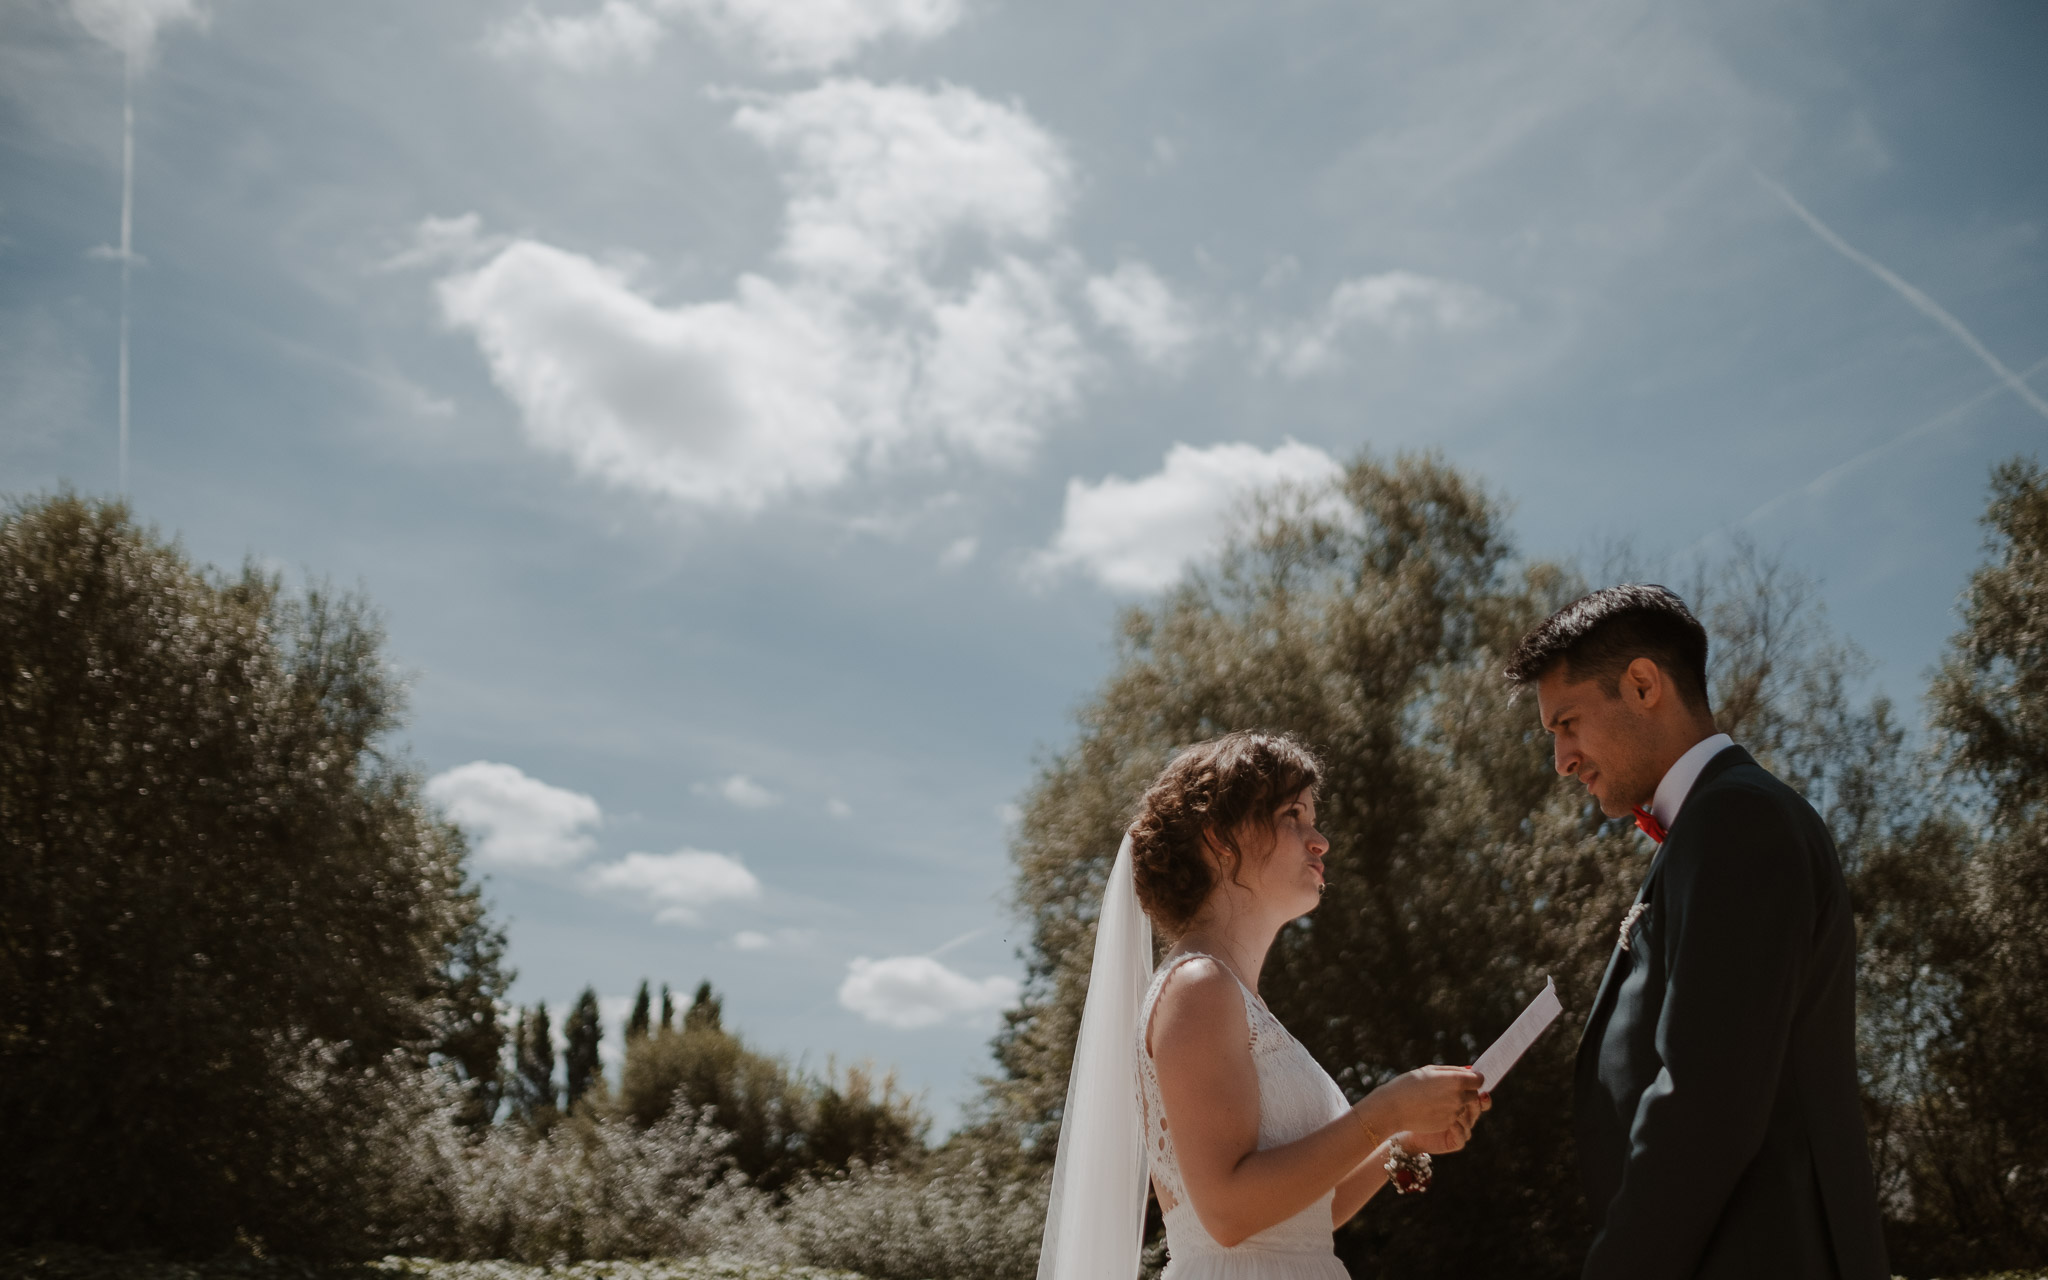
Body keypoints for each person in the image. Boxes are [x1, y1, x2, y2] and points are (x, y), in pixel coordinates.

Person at [1505, 584, 1889, 1280]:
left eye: (1567, 723)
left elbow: (1705, 1103)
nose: (1561, 759)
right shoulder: (1716, 825)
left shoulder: (1737, 821)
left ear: (1644, 683)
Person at [1037, 731, 1486, 1280]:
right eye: (1292, 815)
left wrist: (1401, 1139)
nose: (1319, 840)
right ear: (1220, 840)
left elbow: (1307, 1214)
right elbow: (1228, 1214)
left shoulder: (1236, 998)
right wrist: (1386, 1109)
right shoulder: (1198, 987)